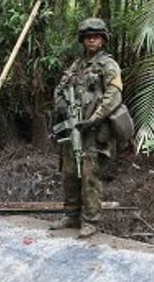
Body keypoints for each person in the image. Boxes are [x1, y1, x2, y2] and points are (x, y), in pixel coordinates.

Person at [51, 18, 123, 238]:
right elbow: (60, 89)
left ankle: (90, 220)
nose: (92, 40)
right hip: (73, 128)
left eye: (96, 36)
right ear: (83, 40)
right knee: (69, 172)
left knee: (90, 175)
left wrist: (94, 119)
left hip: (93, 130)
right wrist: (61, 104)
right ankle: (71, 214)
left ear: (102, 39)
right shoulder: (76, 66)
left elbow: (114, 95)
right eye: (88, 37)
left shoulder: (108, 65)